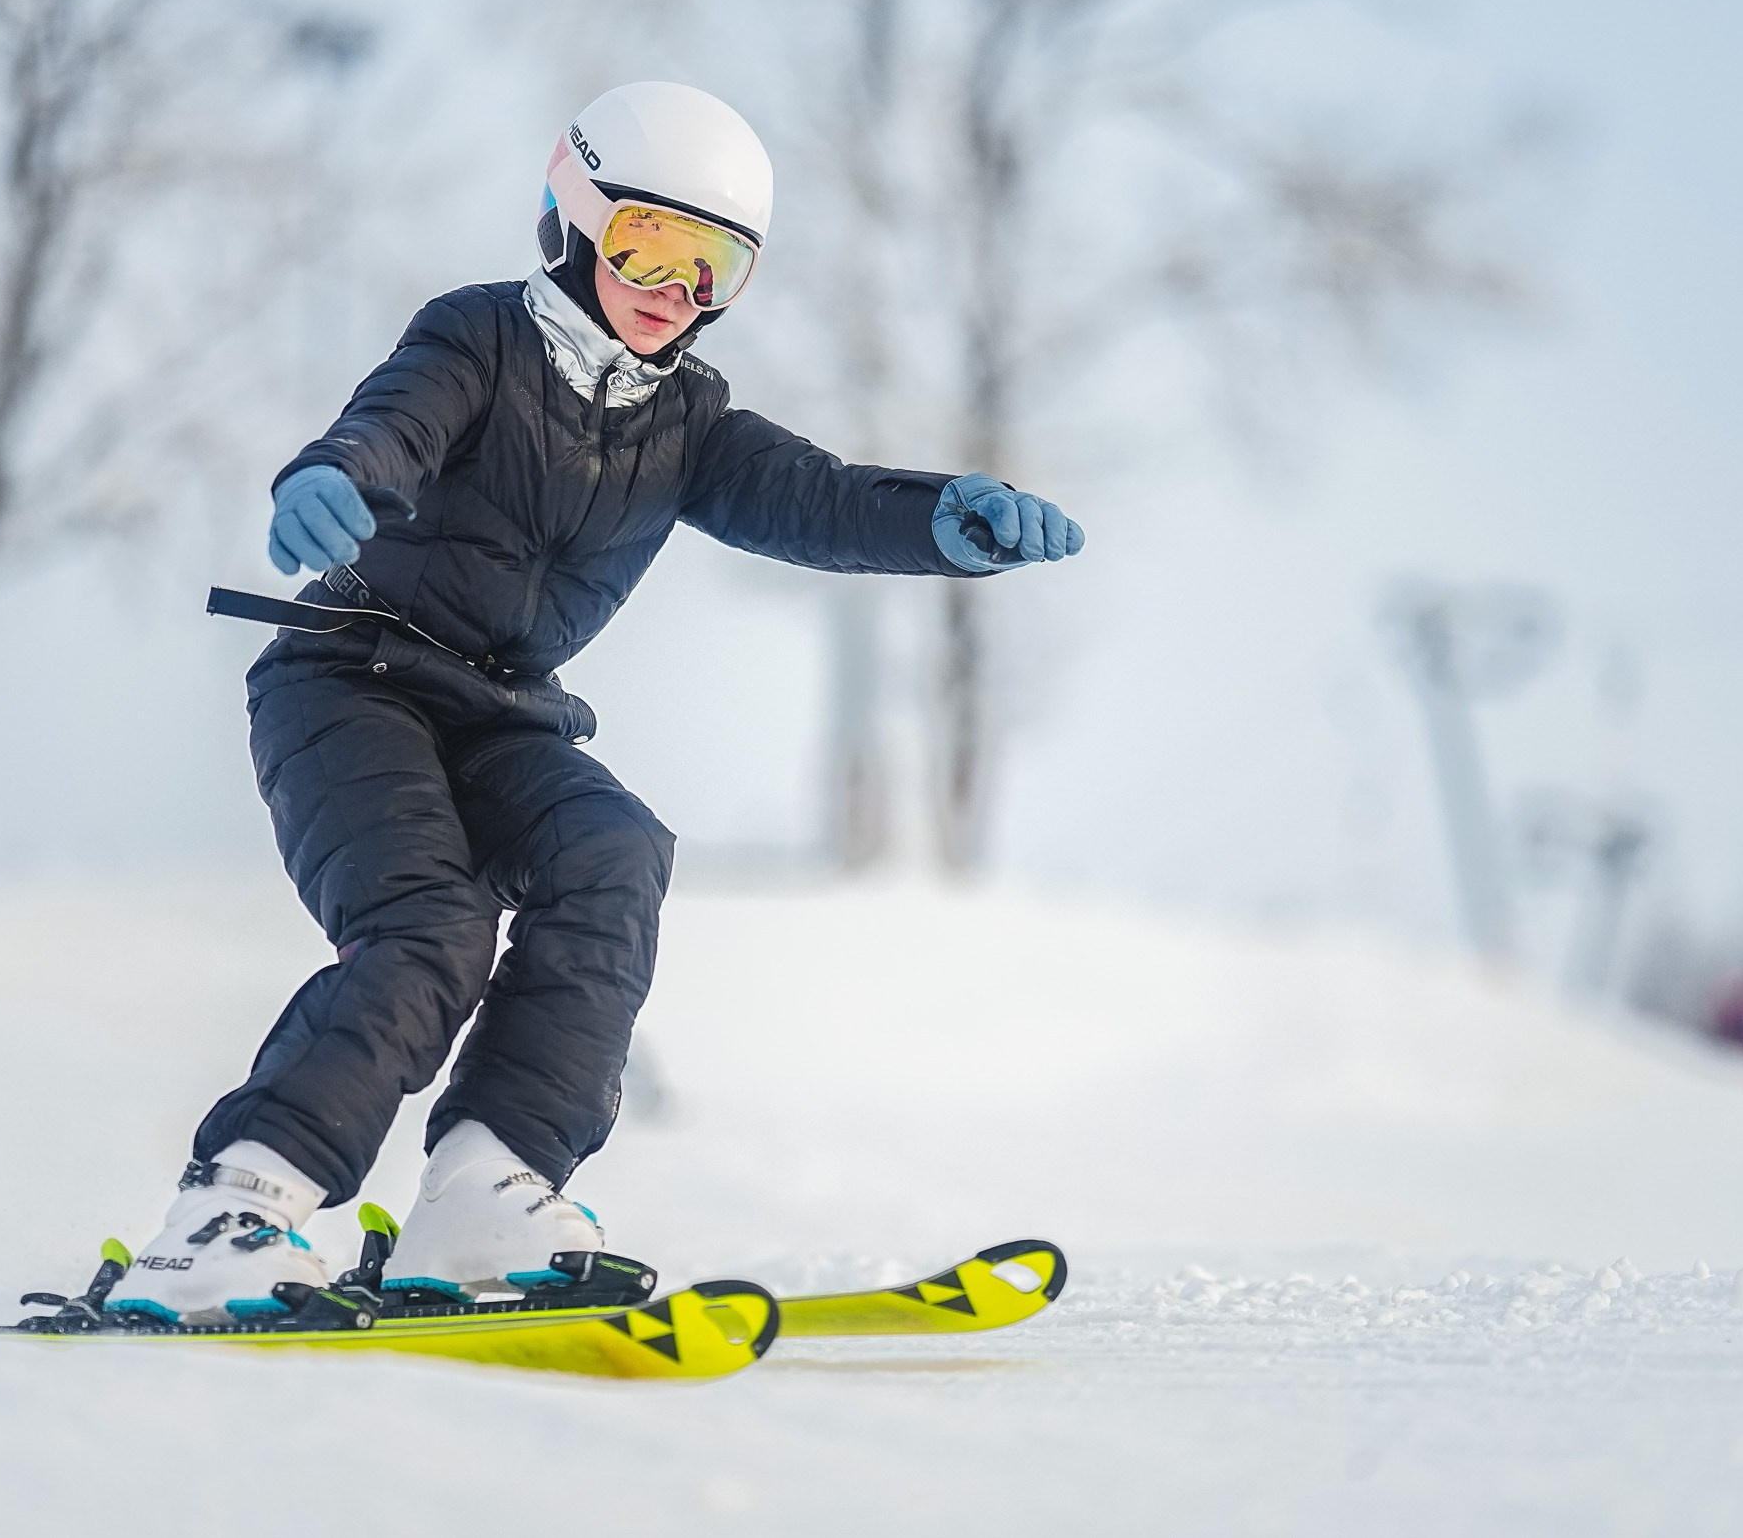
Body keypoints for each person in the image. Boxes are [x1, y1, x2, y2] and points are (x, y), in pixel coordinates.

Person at [107, 82, 1083, 1322]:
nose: (674, 292)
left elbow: (817, 498)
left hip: (504, 708)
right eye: (648, 247)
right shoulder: (478, 339)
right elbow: (391, 422)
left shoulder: (692, 420)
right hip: (351, 683)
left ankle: (482, 1188)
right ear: (570, 219)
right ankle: (234, 1207)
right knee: (432, 930)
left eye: (712, 268)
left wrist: (941, 521)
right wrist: (331, 474)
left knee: (614, 854)